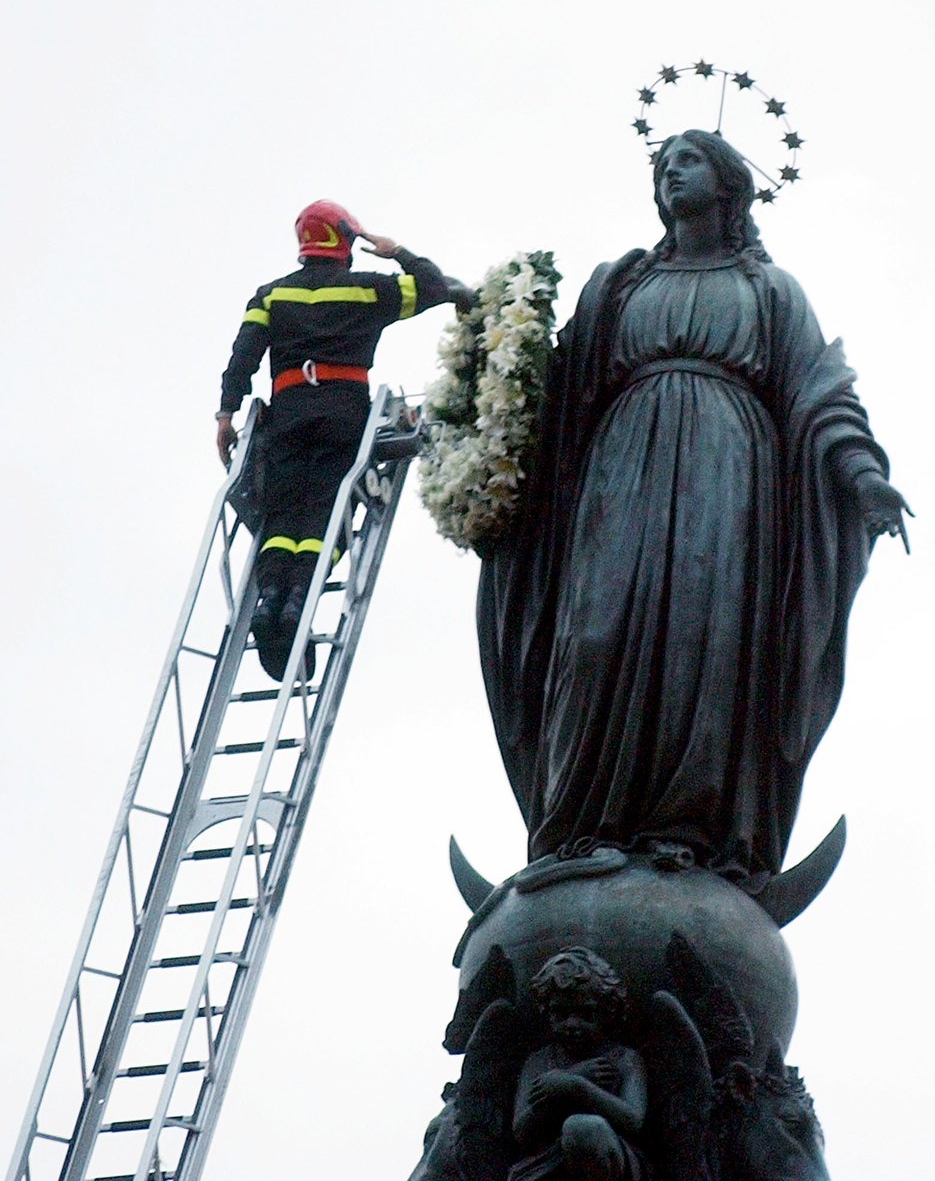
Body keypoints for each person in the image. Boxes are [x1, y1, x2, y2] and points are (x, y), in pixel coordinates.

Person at [477, 131, 910, 885]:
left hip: (729, 471)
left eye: (688, 160)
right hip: (618, 470)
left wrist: (860, 473)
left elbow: (819, 392)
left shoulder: (770, 291)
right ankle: (582, 824)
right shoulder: (619, 284)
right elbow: (550, 395)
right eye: (662, 165)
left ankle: (688, 826)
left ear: (727, 183)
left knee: (701, 639)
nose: (672, 172)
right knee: (593, 634)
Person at [217, 199, 464, 676]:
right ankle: (297, 604)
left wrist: (226, 414)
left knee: (283, 516)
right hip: (342, 416)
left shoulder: (271, 297)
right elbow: (433, 286)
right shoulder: (368, 290)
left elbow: (242, 356)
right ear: (346, 239)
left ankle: (270, 599)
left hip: (285, 418)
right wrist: (395, 251)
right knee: (330, 516)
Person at [511, 948, 648, 1181]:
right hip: (546, 1165)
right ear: (546, 1011)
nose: (572, 1024)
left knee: (584, 1129)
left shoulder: (624, 1059)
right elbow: (522, 1131)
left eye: (586, 1013)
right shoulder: (539, 1061)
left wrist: (575, 1086)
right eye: (560, 1014)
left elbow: (633, 1120)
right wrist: (569, 1080)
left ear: (607, 1011)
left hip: (610, 1162)